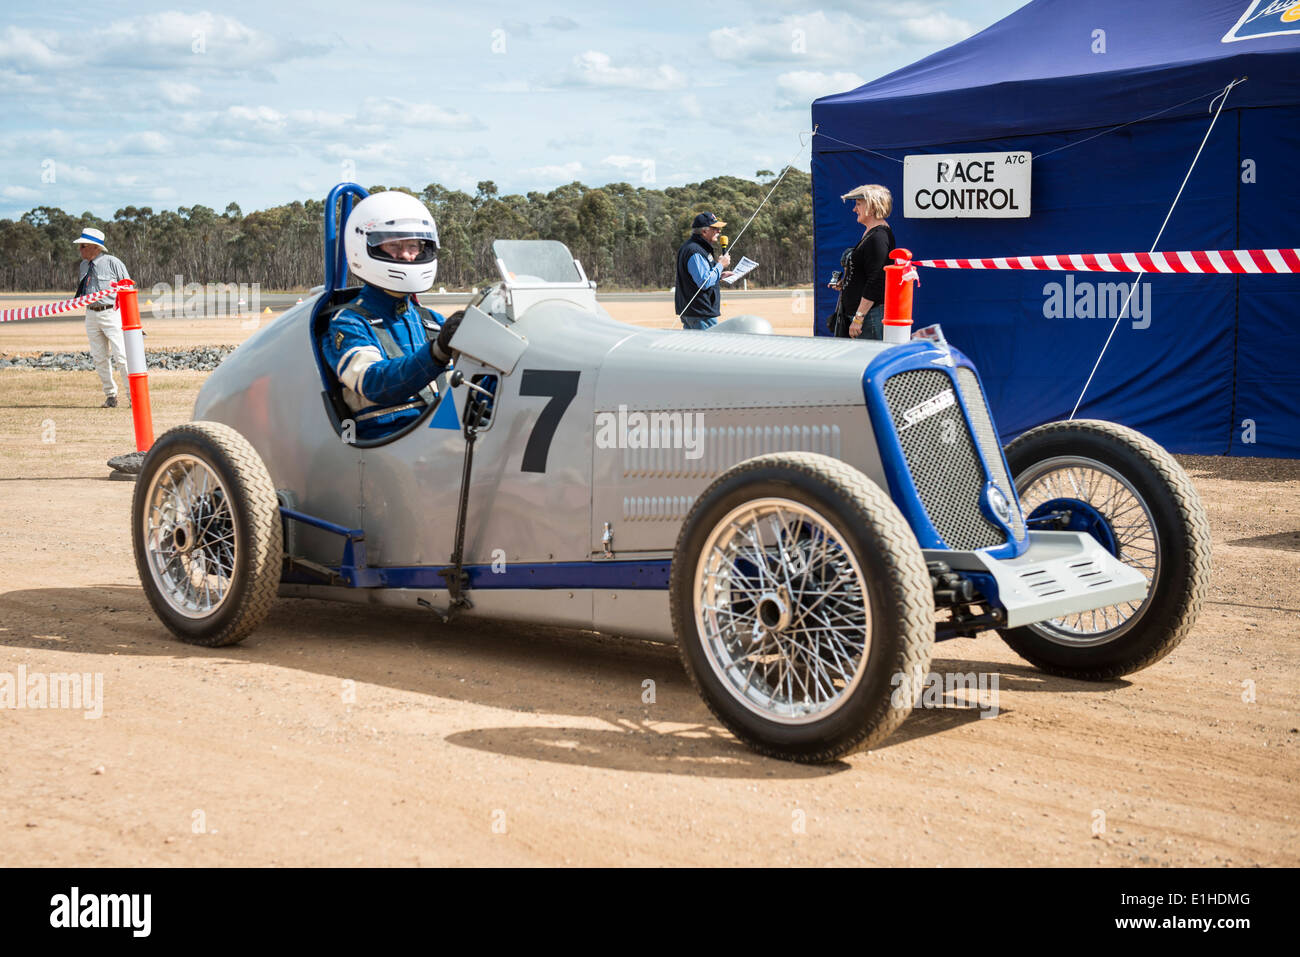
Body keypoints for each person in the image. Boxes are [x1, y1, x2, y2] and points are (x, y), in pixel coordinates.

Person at [319, 191, 463, 441]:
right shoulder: (348, 322)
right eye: (395, 246)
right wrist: (436, 353)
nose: (407, 255)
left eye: (413, 246)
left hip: (443, 440)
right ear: (368, 248)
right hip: (389, 445)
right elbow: (374, 382)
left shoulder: (433, 321)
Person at [73, 227, 131, 407]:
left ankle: (133, 397)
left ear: (95, 247)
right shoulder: (83, 266)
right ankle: (111, 396)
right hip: (90, 314)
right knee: (99, 357)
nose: (80, 249)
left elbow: (127, 288)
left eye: (83, 246)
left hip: (111, 313)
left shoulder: (113, 262)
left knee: (121, 356)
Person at [828, 184, 895, 340]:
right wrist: (845, 283)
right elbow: (866, 273)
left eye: (858, 204)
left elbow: (877, 279)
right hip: (864, 316)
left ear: (871, 208)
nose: (854, 209)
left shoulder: (879, 237)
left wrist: (859, 318)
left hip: (869, 318)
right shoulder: (872, 233)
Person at [674, 211, 735, 329]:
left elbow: (699, 277)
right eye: (715, 228)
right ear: (704, 231)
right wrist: (721, 265)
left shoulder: (696, 247)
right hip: (700, 313)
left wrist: (719, 275)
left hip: (695, 312)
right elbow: (704, 282)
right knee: (708, 346)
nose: (719, 232)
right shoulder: (694, 250)